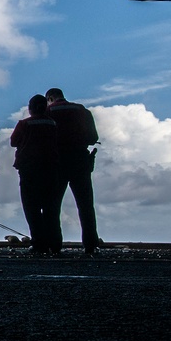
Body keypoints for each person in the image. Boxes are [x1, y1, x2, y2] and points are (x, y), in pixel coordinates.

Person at [46, 88, 100, 255]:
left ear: (50, 98)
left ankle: (54, 244)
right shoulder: (82, 110)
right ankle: (90, 244)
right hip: (80, 159)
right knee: (85, 205)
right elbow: (92, 137)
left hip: (57, 161)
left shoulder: (48, 111)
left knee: (53, 205)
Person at [10, 95, 61, 255]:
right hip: (51, 169)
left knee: (32, 208)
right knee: (51, 208)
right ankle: (55, 243)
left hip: (29, 170)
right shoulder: (53, 124)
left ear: (30, 108)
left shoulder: (25, 124)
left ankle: (39, 243)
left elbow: (14, 141)